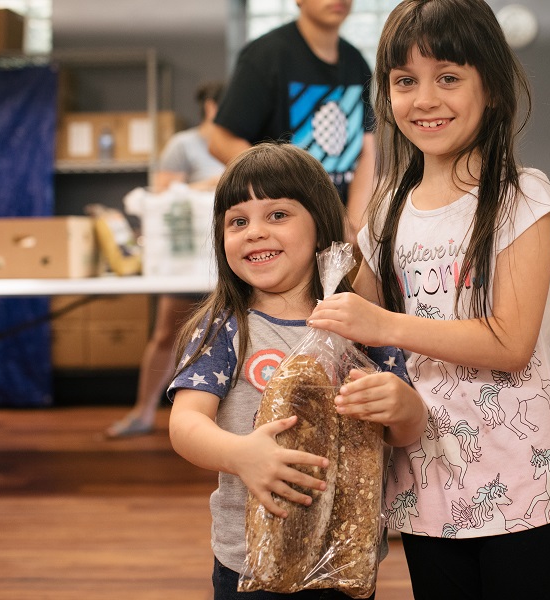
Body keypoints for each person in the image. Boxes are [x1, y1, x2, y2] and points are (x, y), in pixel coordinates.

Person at [306, 1, 550, 598]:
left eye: (448, 78)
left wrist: (384, 323)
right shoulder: (387, 209)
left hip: (516, 483)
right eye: (405, 81)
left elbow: (509, 343)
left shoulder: (522, 199)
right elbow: (356, 325)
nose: (424, 99)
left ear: (494, 89)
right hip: (425, 479)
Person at [167, 142, 427, 599]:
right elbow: (185, 424)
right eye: (237, 221)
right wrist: (240, 455)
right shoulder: (227, 328)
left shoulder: (359, 323)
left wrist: (405, 408)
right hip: (251, 563)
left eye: (278, 215)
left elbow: (401, 433)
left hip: (345, 558)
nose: (254, 232)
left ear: (321, 225)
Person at [106, 81, 226, 438]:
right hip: (187, 259)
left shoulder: (245, 142)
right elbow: (162, 197)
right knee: (167, 334)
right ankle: (143, 412)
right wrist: (213, 184)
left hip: (231, 256)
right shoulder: (184, 145)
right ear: (209, 106)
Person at [208, 0, 375, 244]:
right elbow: (220, 141)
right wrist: (311, 200)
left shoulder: (355, 61)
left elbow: (367, 149)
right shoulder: (267, 55)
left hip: (340, 235)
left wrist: (355, 227)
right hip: (280, 233)